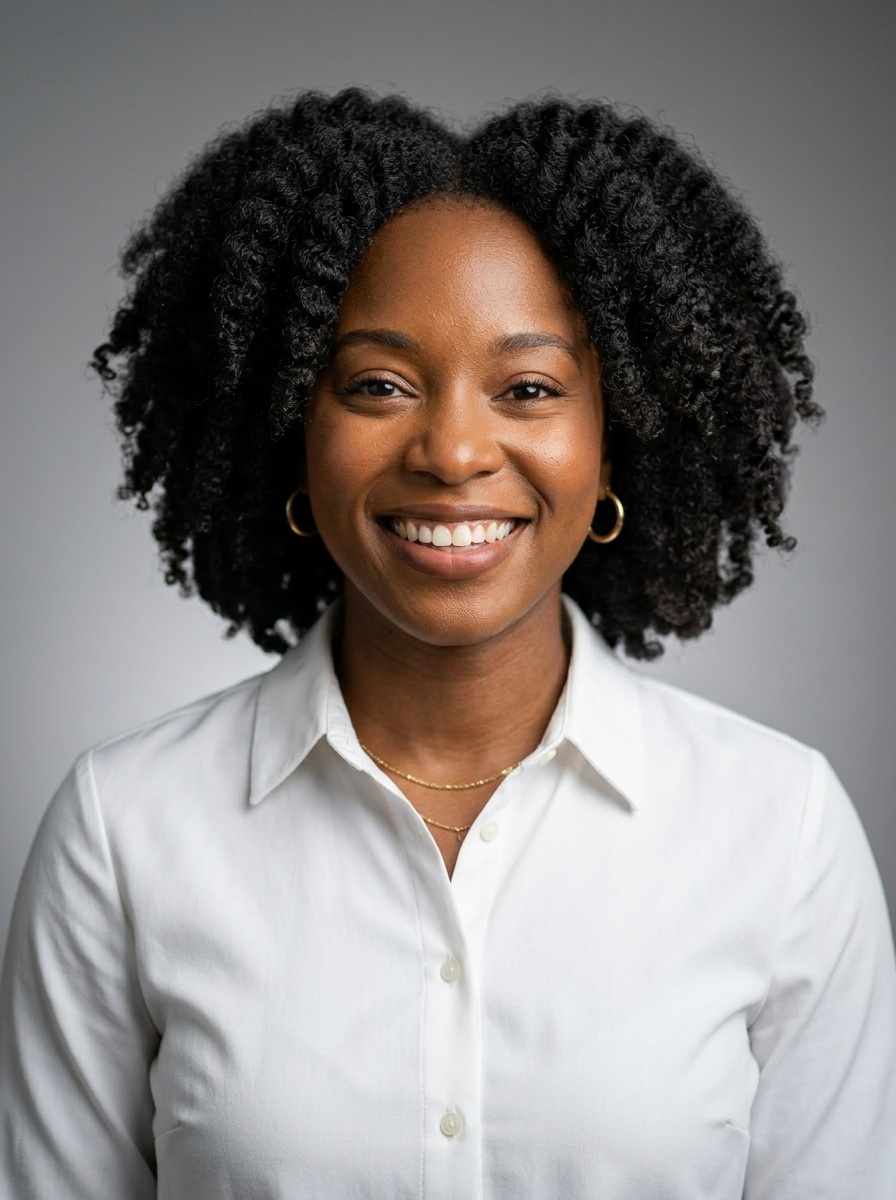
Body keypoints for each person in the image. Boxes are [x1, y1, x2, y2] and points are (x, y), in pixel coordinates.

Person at [1, 87, 894, 1199]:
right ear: (291, 425)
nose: (454, 449)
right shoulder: (122, 835)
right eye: (378, 384)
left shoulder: (780, 833)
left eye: (527, 388)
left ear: (611, 445)